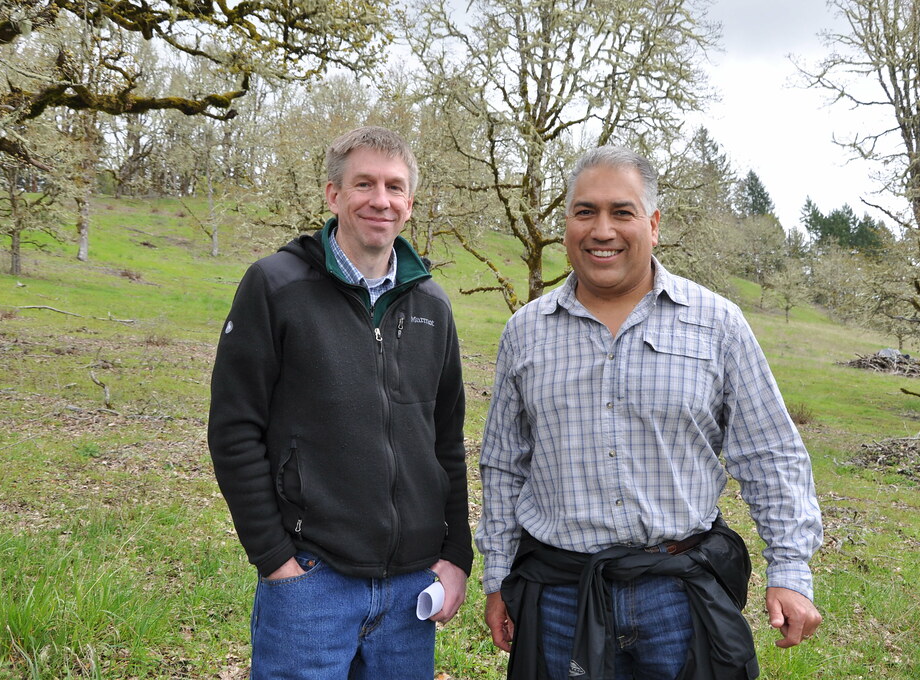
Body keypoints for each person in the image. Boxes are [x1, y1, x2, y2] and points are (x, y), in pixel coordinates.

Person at [475, 146, 823, 680]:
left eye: (622, 212)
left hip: (678, 595)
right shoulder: (526, 331)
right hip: (562, 596)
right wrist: (498, 578)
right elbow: (502, 465)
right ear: (567, 223)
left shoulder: (717, 324)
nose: (602, 230)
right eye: (585, 211)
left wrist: (791, 570)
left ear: (653, 224)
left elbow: (771, 454)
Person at [208, 126, 472, 680]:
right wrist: (276, 560)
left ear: (411, 203)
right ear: (333, 194)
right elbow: (234, 430)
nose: (381, 200)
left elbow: (445, 440)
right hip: (311, 578)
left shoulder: (433, 305)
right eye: (364, 184)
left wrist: (456, 556)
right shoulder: (275, 285)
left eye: (395, 187)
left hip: (409, 590)